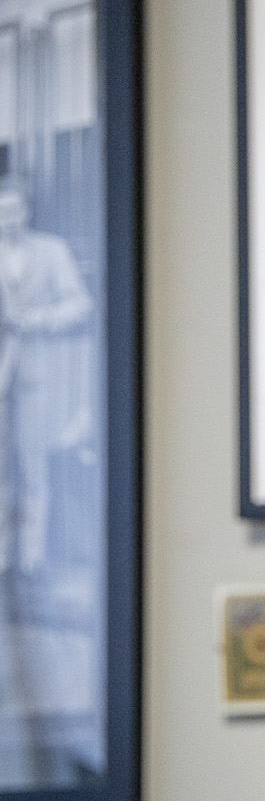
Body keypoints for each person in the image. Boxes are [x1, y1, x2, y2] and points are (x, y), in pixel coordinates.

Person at [0, 181, 94, 573]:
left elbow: (80, 304)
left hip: (36, 375)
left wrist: (37, 321)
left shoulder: (52, 251)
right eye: (2, 211)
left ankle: (30, 558)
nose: (9, 218)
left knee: (32, 466)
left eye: (15, 210)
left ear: (27, 212)